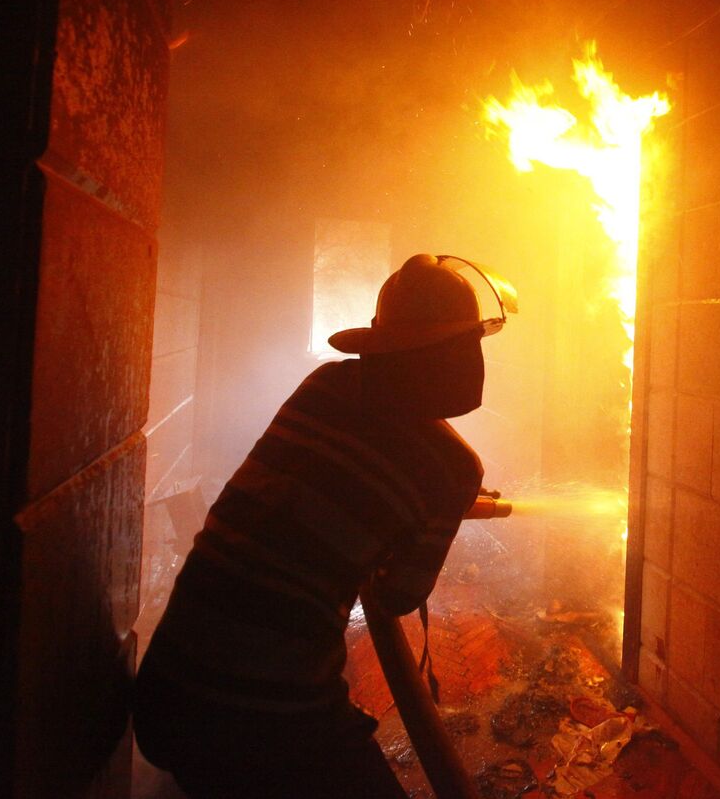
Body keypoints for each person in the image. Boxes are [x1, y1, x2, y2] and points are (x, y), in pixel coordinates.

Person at [134, 253, 514, 798]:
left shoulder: (328, 385)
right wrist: (435, 512)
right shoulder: (452, 468)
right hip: (268, 716)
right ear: (450, 352)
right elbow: (396, 595)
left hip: (166, 692)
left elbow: (340, 481)